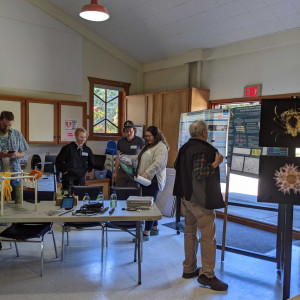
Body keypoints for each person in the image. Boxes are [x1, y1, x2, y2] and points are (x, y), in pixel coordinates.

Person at [173, 120, 228, 292]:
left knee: (189, 233)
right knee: (208, 237)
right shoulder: (202, 149)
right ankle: (207, 275)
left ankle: (188, 269)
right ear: (204, 132)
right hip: (200, 200)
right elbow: (201, 173)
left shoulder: (185, 148)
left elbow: (177, 167)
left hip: (187, 198)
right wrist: (217, 162)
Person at [131, 126, 168, 241]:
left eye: (149, 136)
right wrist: (126, 158)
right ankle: (155, 228)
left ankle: (146, 233)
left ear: (156, 135)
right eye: (145, 136)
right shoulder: (148, 146)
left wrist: (146, 173)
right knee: (151, 204)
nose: (147, 138)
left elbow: (158, 163)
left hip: (153, 180)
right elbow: (138, 157)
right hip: (144, 180)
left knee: (148, 205)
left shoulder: (161, 147)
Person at [0, 111, 29, 199]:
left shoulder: (17, 134)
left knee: (17, 202)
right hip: (0, 176)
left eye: (9, 125)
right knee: (2, 205)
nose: (7, 127)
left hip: (15, 174)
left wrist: (17, 154)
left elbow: (23, 153)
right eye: (5, 125)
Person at [56, 127, 94, 194]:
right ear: (76, 136)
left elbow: (91, 164)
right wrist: (64, 170)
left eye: (84, 137)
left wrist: (85, 171)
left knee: (80, 196)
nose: (83, 139)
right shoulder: (67, 148)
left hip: (81, 177)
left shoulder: (87, 150)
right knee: (68, 197)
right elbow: (58, 162)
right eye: (81, 137)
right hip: (69, 177)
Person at [113, 120, 144, 187]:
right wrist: (115, 172)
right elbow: (117, 157)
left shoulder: (140, 141)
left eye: (131, 131)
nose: (129, 133)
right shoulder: (120, 141)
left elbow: (144, 156)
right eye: (126, 131)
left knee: (133, 192)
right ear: (124, 132)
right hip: (122, 170)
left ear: (134, 131)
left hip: (134, 171)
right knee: (120, 191)